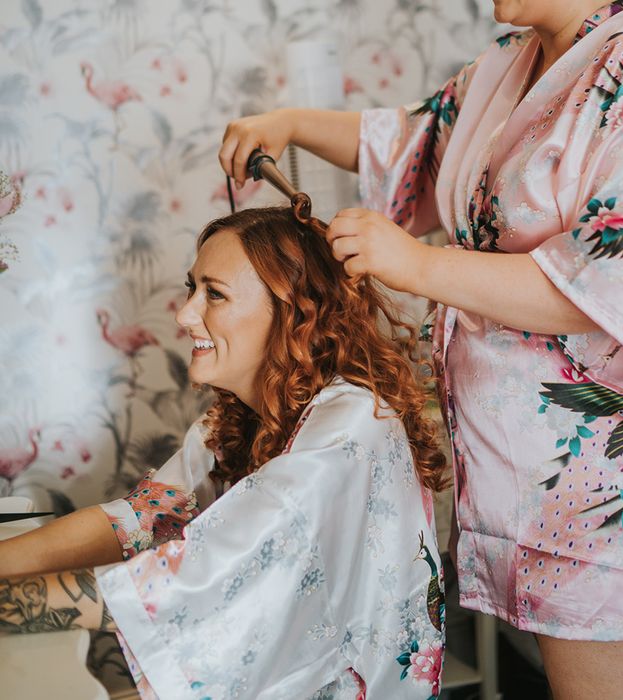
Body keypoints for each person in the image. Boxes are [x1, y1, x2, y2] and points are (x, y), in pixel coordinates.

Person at [218, 1, 623, 698]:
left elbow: (618, 282)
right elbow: (412, 142)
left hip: (616, 489)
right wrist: (289, 124)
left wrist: (417, 265)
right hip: (532, 483)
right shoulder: (511, 62)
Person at [0, 200, 449, 699]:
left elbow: (196, 574)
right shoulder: (234, 418)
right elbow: (137, 520)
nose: (186, 312)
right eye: (193, 288)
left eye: (214, 294)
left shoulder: (351, 428)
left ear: (292, 310)